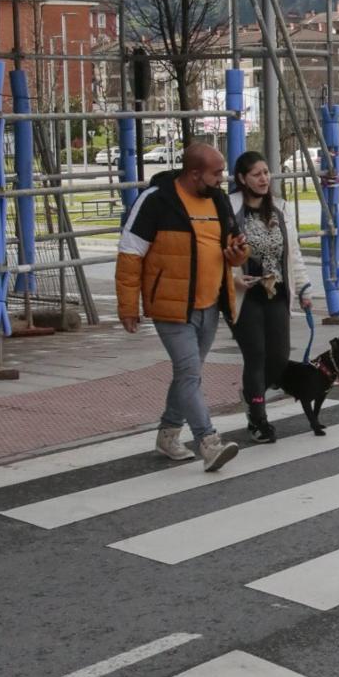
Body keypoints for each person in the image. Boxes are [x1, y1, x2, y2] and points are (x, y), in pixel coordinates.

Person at [116, 141, 247, 470]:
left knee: (188, 375)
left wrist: (237, 254)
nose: (222, 179)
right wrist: (127, 306)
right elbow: (130, 256)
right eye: (216, 173)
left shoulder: (217, 199)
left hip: (211, 304)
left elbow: (235, 243)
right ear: (194, 173)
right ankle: (209, 442)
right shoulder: (156, 201)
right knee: (189, 374)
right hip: (171, 307)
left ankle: (168, 434)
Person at [227, 150, 313, 441]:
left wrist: (304, 287)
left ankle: (252, 395)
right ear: (242, 178)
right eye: (256, 174)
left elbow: (294, 252)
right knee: (256, 356)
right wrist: (233, 279)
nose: (264, 179)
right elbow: (215, 255)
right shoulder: (229, 209)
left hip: (276, 293)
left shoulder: (281, 209)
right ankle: (258, 420)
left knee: (278, 359)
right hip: (245, 296)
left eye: (266, 172)